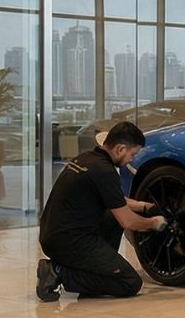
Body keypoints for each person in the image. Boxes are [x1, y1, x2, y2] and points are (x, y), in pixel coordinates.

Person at [36, 121, 167, 302]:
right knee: (130, 282)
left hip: (53, 234)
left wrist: (144, 206)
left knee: (112, 215)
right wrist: (154, 223)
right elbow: (128, 221)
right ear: (121, 149)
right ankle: (57, 272)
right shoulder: (105, 171)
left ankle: (96, 270)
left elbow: (116, 201)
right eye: (132, 154)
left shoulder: (87, 159)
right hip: (70, 242)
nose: (131, 160)